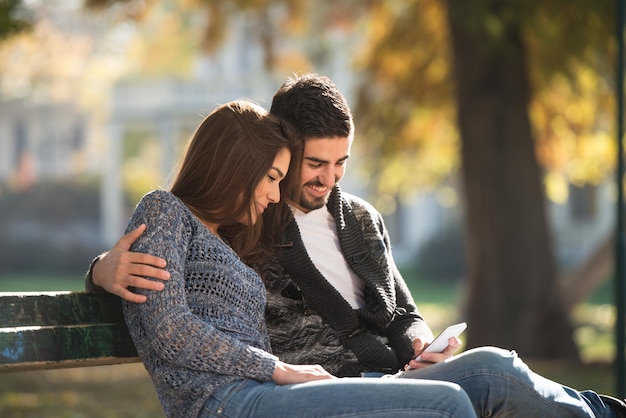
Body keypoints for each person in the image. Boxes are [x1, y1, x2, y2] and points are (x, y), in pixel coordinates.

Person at [87, 77, 626, 418]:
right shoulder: (246, 224)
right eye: (313, 166)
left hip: (371, 375)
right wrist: (99, 270)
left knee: (494, 368)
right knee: (453, 402)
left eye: (341, 165)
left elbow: (404, 311)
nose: (328, 180)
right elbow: (169, 309)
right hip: (299, 387)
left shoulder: (357, 219)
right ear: (273, 156)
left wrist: (419, 345)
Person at [116, 98, 476, 418]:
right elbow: (169, 327)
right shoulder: (165, 210)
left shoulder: (229, 235)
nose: (275, 195)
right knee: (448, 404)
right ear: (237, 166)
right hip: (221, 401)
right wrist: (277, 369)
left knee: (482, 376)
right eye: (272, 178)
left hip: (264, 391)